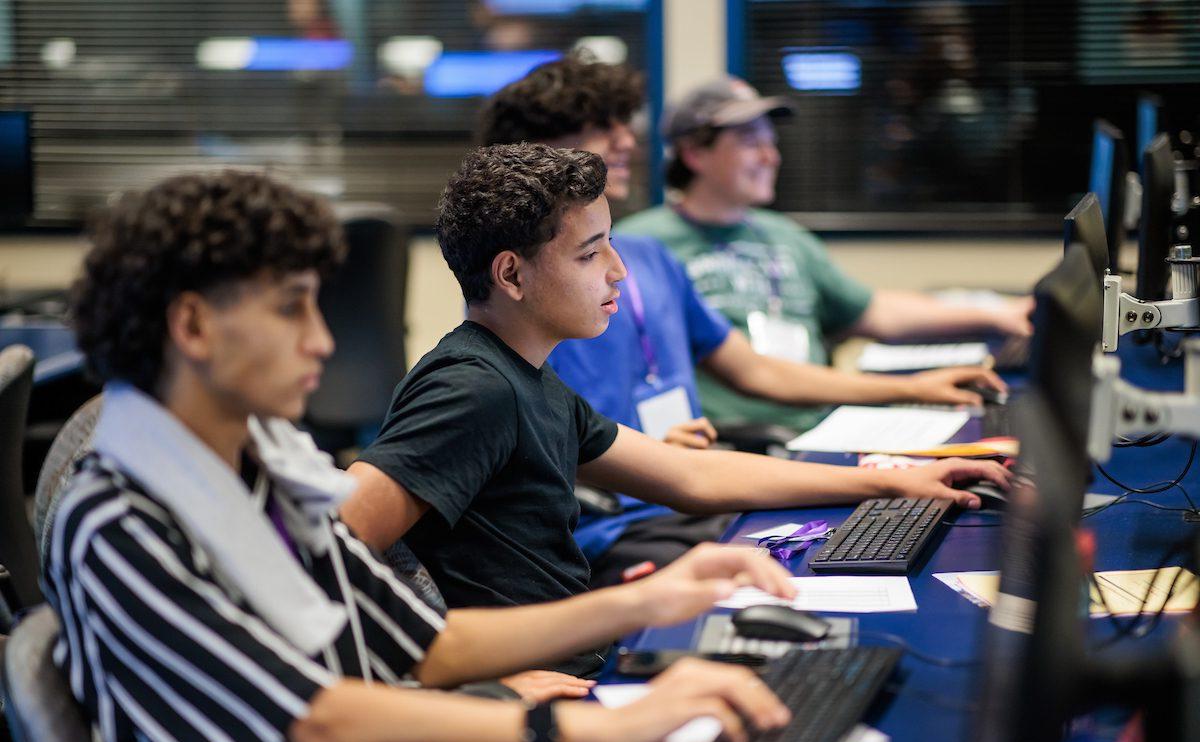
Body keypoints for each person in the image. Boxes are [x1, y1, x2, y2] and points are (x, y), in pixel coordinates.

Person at [49, 170, 803, 742]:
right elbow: (317, 721)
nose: (322, 339)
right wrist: (577, 725)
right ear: (193, 327)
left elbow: (424, 646)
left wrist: (649, 600)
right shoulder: (116, 522)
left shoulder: (264, 466)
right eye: (291, 308)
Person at [340, 143, 1011, 678]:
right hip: (527, 695)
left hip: (577, 662)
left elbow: (691, 477)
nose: (618, 272)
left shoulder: (527, 378)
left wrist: (890, 480)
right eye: (589, 252)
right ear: (512, 275)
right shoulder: (471, 389)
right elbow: (334, 550)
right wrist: (475, 684)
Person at [477, 57, 1009, 580]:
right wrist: (649, 452)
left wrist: (912, 390)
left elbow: (754, 371)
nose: (625, 142)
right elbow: (542, 445)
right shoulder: (533, 285)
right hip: (617, 521)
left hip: (685, 494)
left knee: (856, 541)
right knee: (796, 578)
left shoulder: (648, 257)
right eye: (599, 129)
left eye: (624, 125)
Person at [616, 75, 1034, 433]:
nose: (771, 156)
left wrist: (996, 313)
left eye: (771, 141)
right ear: (694, 153)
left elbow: (875, 311)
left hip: (825, 425)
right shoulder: (643, 247)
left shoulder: (785, 236)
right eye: (749, 142)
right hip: (739, 441)